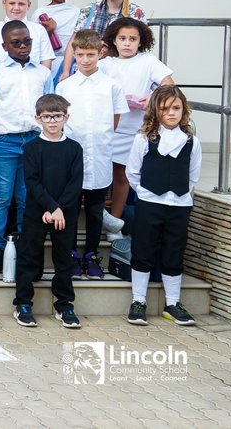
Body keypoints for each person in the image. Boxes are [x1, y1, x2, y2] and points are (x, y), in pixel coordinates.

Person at [0, 20, 54, 276]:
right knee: (1, 196)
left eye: (27, 41)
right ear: (4, 45)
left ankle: (21, 246)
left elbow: (51, 107)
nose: (22, 46)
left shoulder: (42, 73)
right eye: (16, 42)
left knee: (26, 196)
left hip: (33, 140)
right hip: (4, 141)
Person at [125, 85, 201, 327]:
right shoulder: (143, 138)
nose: (171, 113)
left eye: (176, 108)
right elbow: (132, 172)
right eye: (165, 108)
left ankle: (173, 303)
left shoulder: (191, 141)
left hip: (179, 205)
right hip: (150, 202)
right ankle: (138, 301)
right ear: (156, 111)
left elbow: (193, 175)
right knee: (143, 250)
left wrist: (180, 194)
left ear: (184, 110)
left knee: (174, 251)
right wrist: (147, 193)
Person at [57, 29, 129, 279]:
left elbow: (116, 118)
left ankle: (91, 254)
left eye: (90, 54)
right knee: (72, 207)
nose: (85, 60)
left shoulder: (111, 86)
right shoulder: (65, 86)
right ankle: (72, 255)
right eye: (80, 55)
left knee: (96, 209)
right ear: (74, 54)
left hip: (99, 154)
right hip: (73, 158)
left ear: (100, 53)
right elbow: (61, 120)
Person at [13, 94, 85, 328]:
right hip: (38, 211)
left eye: (57, 116)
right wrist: (50, 207)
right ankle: (23, 303)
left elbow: (75, 183)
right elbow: (32, 182)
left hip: (65, 214)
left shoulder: (74, 149)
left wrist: (59, 209)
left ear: (67, 117)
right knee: (28, 256)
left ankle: (64, 305)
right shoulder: (32, 147)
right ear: (38, 119)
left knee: (63, 258)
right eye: (47, 117)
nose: (52, 121)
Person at [100, 17, 174, 219]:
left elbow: (168, 83)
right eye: (122, 38)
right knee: (100, 173)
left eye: (132, 39)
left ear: (140, 41)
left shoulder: (148, 61)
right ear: (114, 40)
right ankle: (97, 215)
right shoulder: (106, 63)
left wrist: (153, 95)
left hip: (134, 128)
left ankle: (115, 219)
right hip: (108, 127)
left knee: (122, 175)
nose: (127, 43)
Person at [61, 0, 147, 81]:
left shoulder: (135, 13)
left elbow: (138, 47)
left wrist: (110, 50)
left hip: (119, 74)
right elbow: (73, 43)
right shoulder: (90, 10)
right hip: (85, 73)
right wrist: (65, 71)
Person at [34, 0, 80, 81]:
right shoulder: (40, 12)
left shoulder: (76, 11)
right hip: (49, 61)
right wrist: (49, 31)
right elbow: (34, 40)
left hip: (72, 60)